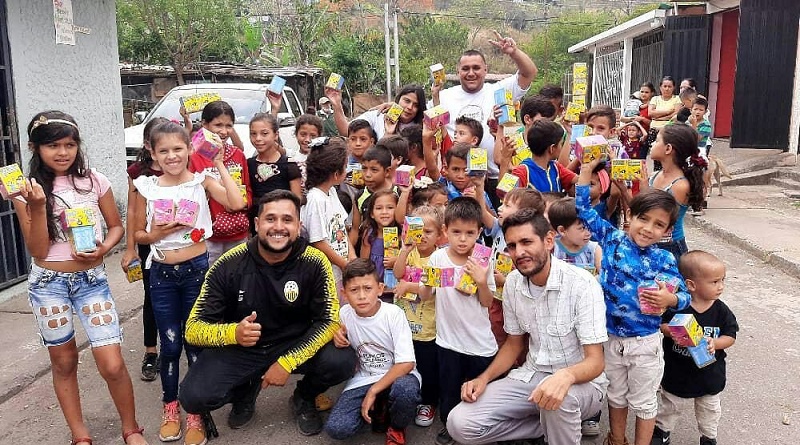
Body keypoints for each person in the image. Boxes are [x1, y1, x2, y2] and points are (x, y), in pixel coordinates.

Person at [13, 111, 148, 445]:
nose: (63, 152)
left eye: (69, 144)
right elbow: (39, 250)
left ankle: (131, 429)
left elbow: (116, 226)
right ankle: (80, 435)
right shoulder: (25, 191)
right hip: (49, 286)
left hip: (91, 281)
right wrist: (36, 206)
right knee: (64, 362)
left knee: (112, 364)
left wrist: (103, 248)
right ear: (35, 148)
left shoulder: (93, 180)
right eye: (53, 145)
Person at [178, 190, 357, 438]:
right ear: (257, 224)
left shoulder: (316, 262)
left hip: (294, 342)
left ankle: (304, 396)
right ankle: (245, 390)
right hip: (243, 345)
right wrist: (233, 333)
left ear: (298, 226)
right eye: (270, 219)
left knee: (342, 360)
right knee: (193, 397)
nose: (278, 227)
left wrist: (287, 362)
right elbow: (193, 329)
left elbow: (327, 321)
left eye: (287, 219)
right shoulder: (228, 263)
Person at [447, 208, 608, 445]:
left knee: (557, 400)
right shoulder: (512, 282)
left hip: (581, 384)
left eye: (526, 242)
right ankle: (546, 427)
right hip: (531, 376)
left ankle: (559, 427)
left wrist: (565, 376)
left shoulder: (583, 284)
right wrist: (484, 378)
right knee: (459, 423)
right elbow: (514, 344)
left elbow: (596, 361)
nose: (518, 252)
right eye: (512, 245)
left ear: (549, 240)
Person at [133, 120, 243, 445]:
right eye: (163, 150)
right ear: (153, 153)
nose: (171, 156)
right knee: (169, 346)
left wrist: (219, 162)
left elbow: (237, 203)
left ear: (189, 149)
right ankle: (170, 406)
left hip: (197, 271)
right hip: (161, 276)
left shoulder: (201, 181)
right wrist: (155, 234)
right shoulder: (146, 186)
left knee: (196, 344)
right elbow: (138, 232)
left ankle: (193, 410)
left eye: (178, 149)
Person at [575, 160, 691, 445]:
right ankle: (616, 439)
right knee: (615, 395)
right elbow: (583, 212)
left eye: (659, 224)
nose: (649, 228)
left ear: (667, 230)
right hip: (610, 337)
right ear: (631, 215)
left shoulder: (665, 259)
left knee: (644, 402)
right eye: (644, 219)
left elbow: (685, 297)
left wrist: (670, 298)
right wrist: (586, 171)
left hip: (645, 344)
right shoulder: (612, 239)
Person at [419, 197, 497, 445]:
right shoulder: (438, 258)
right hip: (448, 342)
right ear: (445, 231)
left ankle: (481, 429)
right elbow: (424, 296)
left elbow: (488, 302)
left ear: (479, 232)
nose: (463, 239)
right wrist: (428, 283)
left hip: (479, 344)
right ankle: (450, 426)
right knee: (449, 389)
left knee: (480, 391)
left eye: (469, 233)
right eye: (456, 232)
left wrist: (481, 281)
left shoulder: (483, 260)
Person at [325, 259, 421, 445]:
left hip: (398, 375)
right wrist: (335, 337)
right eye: (354, 290)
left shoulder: (393, 314)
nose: (362, 296)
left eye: (367, 288)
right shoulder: (344, 314)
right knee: (336, 428)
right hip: (364, 378)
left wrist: (373, 391)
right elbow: (332, 332)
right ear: (344, 293)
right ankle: (378, 409)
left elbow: (407, 363)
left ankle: (397, 425)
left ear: (380, 288)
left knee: (406, 392)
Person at [437, 34, 538, 207]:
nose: (471, 73)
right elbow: (422, 116)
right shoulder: (444, 96)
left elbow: (529, 73)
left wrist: (513, 52)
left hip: (494, 176)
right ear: (458, 71)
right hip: (457, 181)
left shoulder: (499, 90)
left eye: (476, 68)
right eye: (465, 68)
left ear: (485, 69)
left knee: (495, 225)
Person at [652, 251, 738, 445]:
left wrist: (715, 343)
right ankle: (662, 432)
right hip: (677, 373)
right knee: (670, 406)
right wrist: (672, 332)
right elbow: (662, 325)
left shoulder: (721, 311)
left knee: (709, 410)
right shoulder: (677, 306)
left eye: (722, 280)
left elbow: (730, 336)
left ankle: (708, 437)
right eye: (714, 282)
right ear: (691, 285)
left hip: (709, 375)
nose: (720, 286)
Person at [122, 116, 168, 382]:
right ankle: (151, 351)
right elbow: (131, 210)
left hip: (179, 244)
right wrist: (130, 249)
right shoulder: (138, 172)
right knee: (152, 298)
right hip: (148, 244)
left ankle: (175, 346)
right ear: (149, 145)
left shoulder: (179, 166)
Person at [392, 205, 445, 428]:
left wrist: (409, 286)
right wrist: (404, 249)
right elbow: (396, 273)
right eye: (417, 230)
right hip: (405, 324)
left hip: (429, 326)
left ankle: (429, 402)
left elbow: (432, 289)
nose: (422, 236)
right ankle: (408, 398)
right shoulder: (410, 251)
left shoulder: (440, 258)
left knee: (427, 367)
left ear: (440, 234)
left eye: (428, 231)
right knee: (406, 363)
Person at [189, 101, 252, 266]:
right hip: (209, 235)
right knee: (211, 280)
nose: (224, 132)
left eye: (229, 126)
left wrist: (243, 203)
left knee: (237, 279)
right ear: (204, 124)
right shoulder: (194, 157)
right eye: (218, 125)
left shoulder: (238, 155)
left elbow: (248, 189)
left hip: (237, 233)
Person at [300, 136, 354, 300]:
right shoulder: (315, 199)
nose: (348, 170)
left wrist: (353, 259)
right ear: (336, 174)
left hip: (341, 269)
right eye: (345, 167)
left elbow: (342, 230)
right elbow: (318, 242)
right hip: (327, 272)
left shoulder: (331, 192)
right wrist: (345, 265)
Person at [642, 124, 706, 259]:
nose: (652, 144)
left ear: (668, 148)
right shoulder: (656, 175)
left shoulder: (680, 186)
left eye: (657, 140)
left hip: (670, 247)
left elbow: (654, 214)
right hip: (651, 242)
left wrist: (642, 188)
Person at [247, 113, 302, 233]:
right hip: (256, 225)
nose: (258, 139)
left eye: (264, 133)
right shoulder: (248, 164)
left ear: (276, 135)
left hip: (282, 226)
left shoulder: (289, 165)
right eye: (253, 134)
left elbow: (297, 200)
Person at [331, 84, 427, 140]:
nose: (410, 107)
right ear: (398, 99)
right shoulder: (378, 115)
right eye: (406, 101)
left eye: (416, 105)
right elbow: (346, 131)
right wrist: (336, 103)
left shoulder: (422, 128)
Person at [510, 120, 577, 193]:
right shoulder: (522, 171)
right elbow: (505, 194)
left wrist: (569, 134)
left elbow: (577, 180)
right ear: (552, 148)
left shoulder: (555, 167)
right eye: (561, 144)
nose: (561, 148)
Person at [548, 197, 602, 275]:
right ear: (562, 231)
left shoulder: (594, 250)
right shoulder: (551, 249)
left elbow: (606, 278)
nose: (588, 233)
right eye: (582, 228)